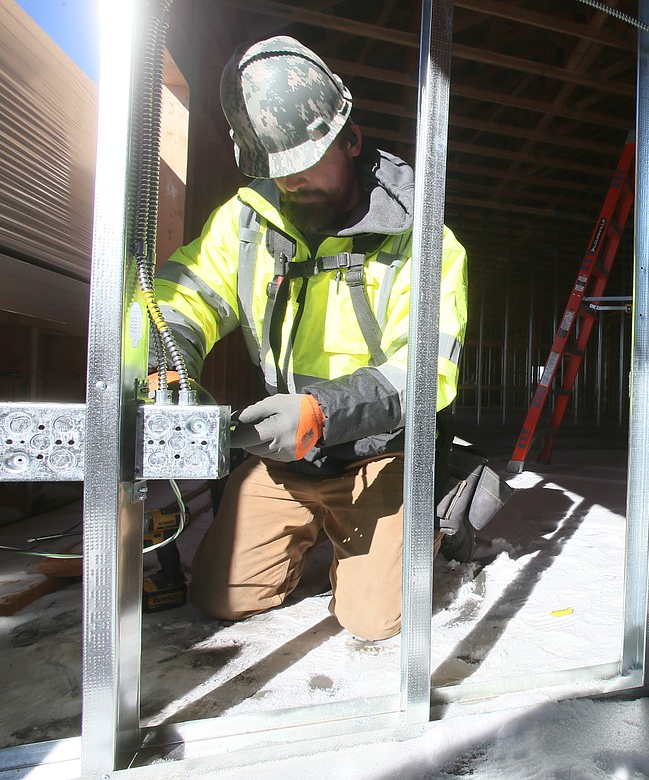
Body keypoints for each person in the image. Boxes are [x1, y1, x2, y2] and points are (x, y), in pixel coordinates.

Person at [153, 35, 468, 642]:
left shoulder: (425, 240)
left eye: (304, 161)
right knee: (220, 598)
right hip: (283, 458)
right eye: (275, 168)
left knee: (375, 622)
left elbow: (429, 370)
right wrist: (170, 365)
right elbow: (183, 295)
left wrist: (323, 412)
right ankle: (321, 531)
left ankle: (438, 507)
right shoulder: (246, 220)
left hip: (381, 456)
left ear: (350, 139)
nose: (290, 181)